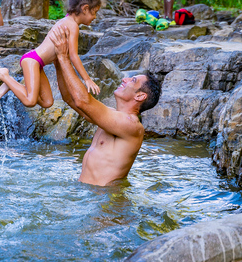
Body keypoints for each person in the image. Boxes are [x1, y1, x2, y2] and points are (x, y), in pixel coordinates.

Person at [48, 25, 162, 186]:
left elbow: (82, 101)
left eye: (133, 80)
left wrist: (64, 57)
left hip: (107, 203)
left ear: (140, 96)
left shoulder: (132, 126)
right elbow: (71, 100)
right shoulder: (110, 116)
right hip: (91, 196)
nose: (125, 79)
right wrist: (58, 62)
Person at [0, 0, 101, 108]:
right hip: (32, 60)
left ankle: (11, 84)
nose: (95, 17)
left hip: (38, 64)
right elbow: (73, 55)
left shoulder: (66, 21)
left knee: (47, 102)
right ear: (85, 9)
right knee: (30, 101)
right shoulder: (72, 26)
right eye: (95, 12)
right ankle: (4, 76)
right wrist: (87, 79)